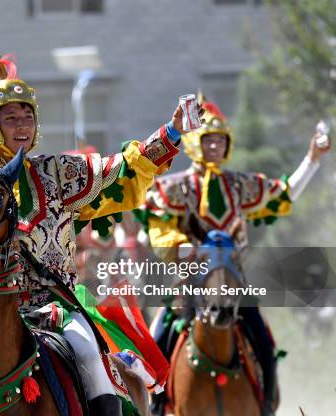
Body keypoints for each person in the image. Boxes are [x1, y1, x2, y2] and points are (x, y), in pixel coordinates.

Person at [0, 39, 199, 416]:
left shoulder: (57, 172)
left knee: (94, 365)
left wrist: (172, 133)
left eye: (27, 117)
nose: (22, 125)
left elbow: (120, 169)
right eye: (10, 118)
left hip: (55, 308)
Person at [141, 95, 331, 415]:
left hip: (235, 286)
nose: (214, 147)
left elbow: (282, 195)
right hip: (189, 285)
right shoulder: (173, 189)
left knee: (265, 346)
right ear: (194, 144)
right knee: (154, 343)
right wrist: (193, 251)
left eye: (220, 141)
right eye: (208, 141)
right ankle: (158, 405)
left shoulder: (239, 185)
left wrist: (312, 159)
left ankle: (266, 403)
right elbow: (158, 233)